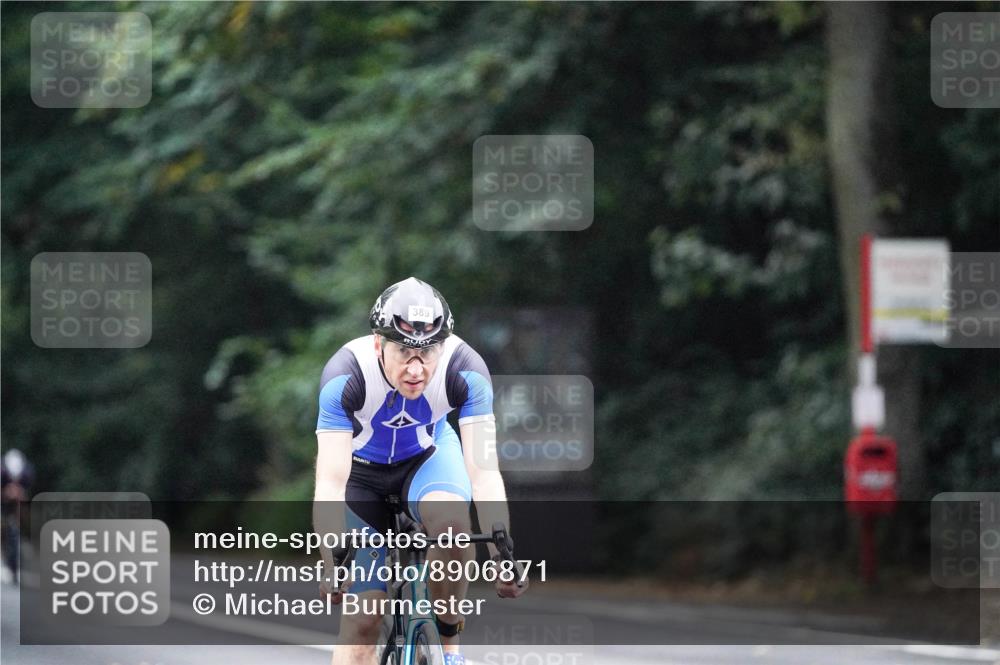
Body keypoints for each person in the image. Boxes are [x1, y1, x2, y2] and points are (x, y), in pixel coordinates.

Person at [313, 277, 526, 665]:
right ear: (379, 344)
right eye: (403, 353)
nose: (416, 368)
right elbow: (330, 481)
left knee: (453, 527)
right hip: (362, 478)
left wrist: (501, 554)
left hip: (427, 460)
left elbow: (483, 472)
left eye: (428, 353)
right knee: (362, 621)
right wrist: (332, 560)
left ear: (443, 346)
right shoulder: (345, 375)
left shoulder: (466, 369)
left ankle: (448, 649)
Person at [1, 449, 35, 585]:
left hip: (18, 501)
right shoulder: (1, 473)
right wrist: (5, 493)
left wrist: (18, 493)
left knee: (23, 510)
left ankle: (25, 535)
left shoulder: (27, 473)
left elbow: (25, 493)